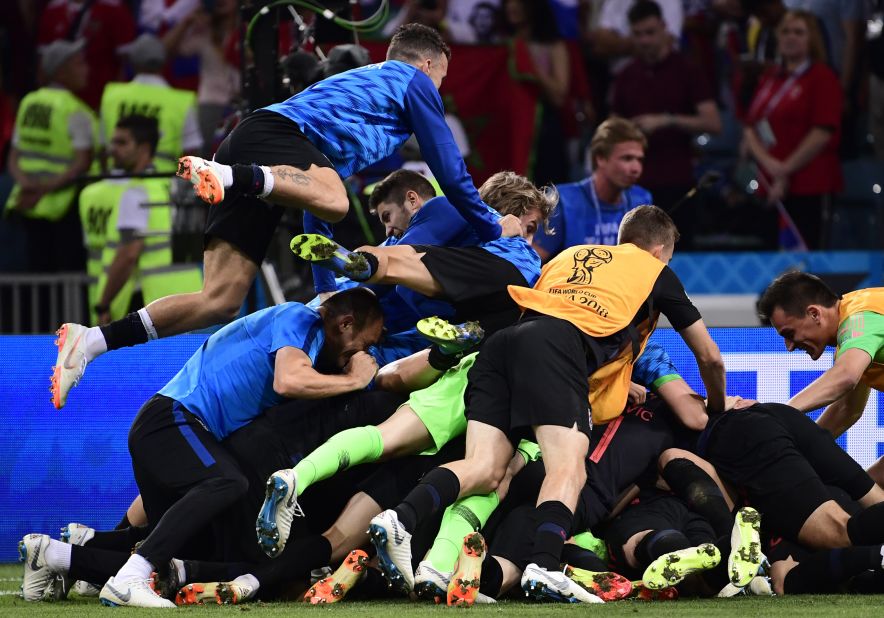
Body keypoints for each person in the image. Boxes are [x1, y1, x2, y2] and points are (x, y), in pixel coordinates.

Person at [51, 23, 517, 410]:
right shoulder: (411, 80)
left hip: (262, 155)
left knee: (219, 299)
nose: (439, 92)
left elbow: (314, 208)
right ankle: (229, 175)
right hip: (266, 144)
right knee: (336, 199)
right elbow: (451, 173)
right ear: (429, 64)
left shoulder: (363, 104)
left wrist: (323, 292)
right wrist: (493, 230)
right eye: (441, 80)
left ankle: (90, 342)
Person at [365, 205, 726, 602]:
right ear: (659, 251)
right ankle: (545, 566)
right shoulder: (654, 270)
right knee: (569, 467)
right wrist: (719, 409)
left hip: (501, 346)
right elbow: (709, 356)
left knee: (484, 468)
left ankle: (400, 518)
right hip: (556, 347)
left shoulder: (568, 255)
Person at [47, 288, 384, 607]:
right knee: (228, 483)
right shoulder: (301, 319)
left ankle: (60, 556)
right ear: (345, 324)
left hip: (168, 426)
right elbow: (289, 380)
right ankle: (128, 580)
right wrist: (353, 381)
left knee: (186, 541)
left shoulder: (305, 334)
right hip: (174, 419)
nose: (356, 357)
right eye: (363, 345)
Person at [291, 171, 555, 337]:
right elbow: (400, 268)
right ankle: (363, 264)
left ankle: (467, 332)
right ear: (504, 209)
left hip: (382, 331)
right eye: (528, 228)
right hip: (345, 308)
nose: (527, 240)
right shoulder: (448, 211)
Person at [610, 0, 721, 248]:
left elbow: (713, 122)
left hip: (678, 180)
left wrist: (667, 120)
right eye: (638, 34)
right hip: (635, 185)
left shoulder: (687, 70)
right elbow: (612, 128)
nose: (645, 40)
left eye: (650, 32)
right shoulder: (626, 75)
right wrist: (628, 130)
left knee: (678, 254)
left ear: (664, 27)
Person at [77, 116, 202, 332]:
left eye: (122, 143)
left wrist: (103, 304)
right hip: (195, 296)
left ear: (144, 148)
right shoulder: (175, 187)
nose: (113, 149)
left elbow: (128, 254)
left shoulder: (135, 194)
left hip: (158, 305)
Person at [757, 272, 884, 481]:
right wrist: (790, 454)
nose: (789, 347)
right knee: (865, 499)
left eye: (789, 334)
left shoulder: (860, 317)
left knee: (867, 498)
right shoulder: (850, 343)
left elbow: (845, 376)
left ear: (814, 314)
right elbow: (846, 410)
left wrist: (775, 414)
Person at [742, 9, 843, 248]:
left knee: (807, 265)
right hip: (769, 187)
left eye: (799, 32)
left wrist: (784, 170)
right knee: (773, 270)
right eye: (785, 31)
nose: (790, 37)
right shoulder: (770, 77)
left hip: (809, 185)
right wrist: (771, 166)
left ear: (812, 39)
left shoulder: (822, 77)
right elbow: (750, 128)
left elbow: (822, 132)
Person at [5, 39, 98, 273]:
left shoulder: (29, 102)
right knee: (66, 272)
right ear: (61, 70)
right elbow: (82, 162)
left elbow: (13, 157)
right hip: (63, 208)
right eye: (79, 64)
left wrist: (27, 185)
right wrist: (44, 190)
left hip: (27, 202)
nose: (86, 69)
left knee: (37, 271)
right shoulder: (76, 110)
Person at [533, 117, 652, 261]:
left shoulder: (642, 200)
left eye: (639, 160)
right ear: (600, 158)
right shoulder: (562, 200)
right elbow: (531, 262)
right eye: (627, 158)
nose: (636, 169)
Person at [100, 33, 203, 172]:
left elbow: (101, 147)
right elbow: (192, 152)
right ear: (164, 63)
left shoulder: (111, 94)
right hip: (162, 182)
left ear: (133, 62)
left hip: (115, 178)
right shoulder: (182, 101)